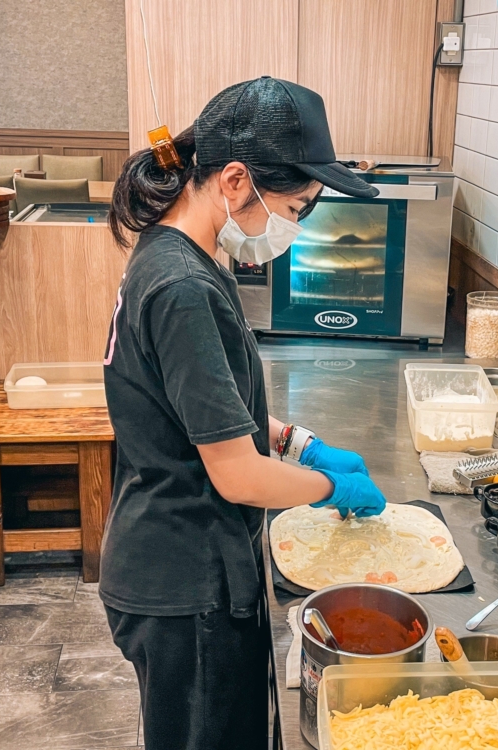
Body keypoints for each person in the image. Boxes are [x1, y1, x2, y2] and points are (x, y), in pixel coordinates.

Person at [99, 77, 388, 750]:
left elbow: (200, 404)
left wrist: (295, 442)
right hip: (184, 581)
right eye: (298, 206)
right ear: (235, 181)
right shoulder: (182, 286)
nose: (297, 224)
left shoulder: (184, 252)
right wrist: (330, 487)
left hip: (182, 562)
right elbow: (235, 475)